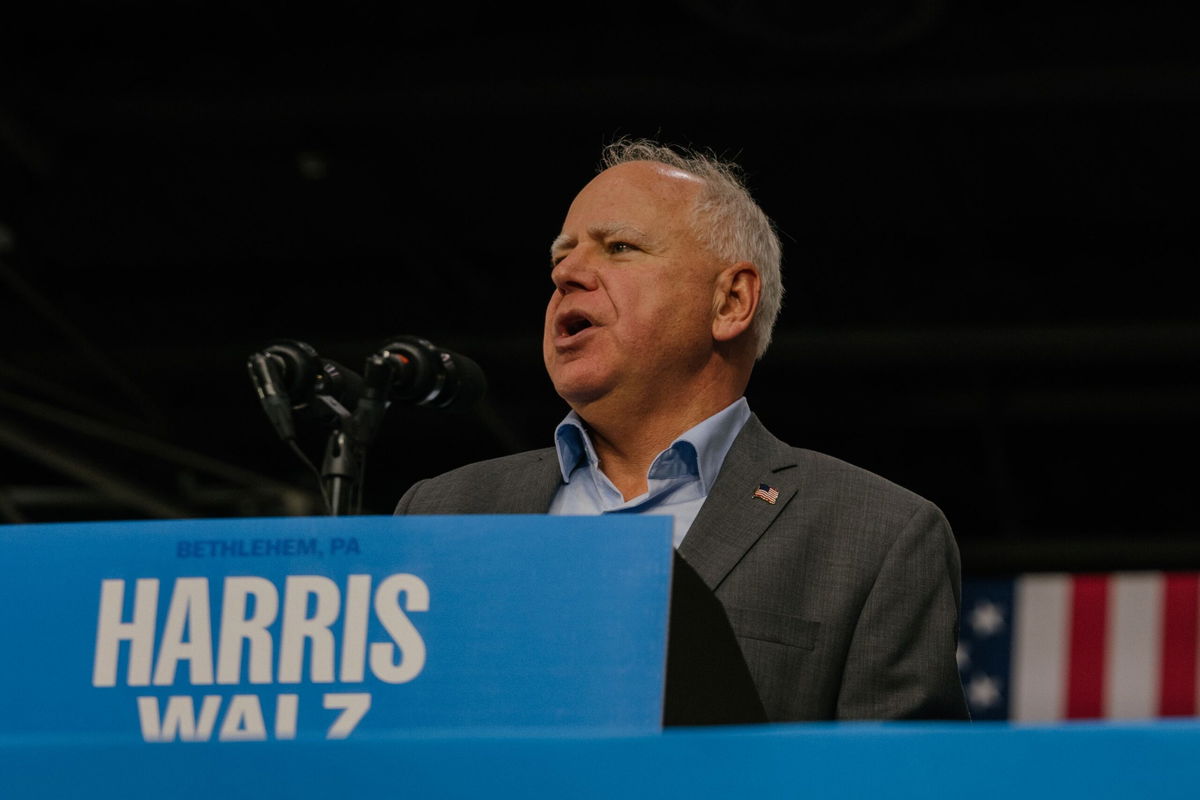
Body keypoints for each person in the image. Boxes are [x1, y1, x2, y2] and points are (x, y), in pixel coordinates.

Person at [395, 138, 969, 722]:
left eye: (619, 247)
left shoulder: (876, 536)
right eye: (560, 258)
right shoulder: (442, 511)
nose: (566, 273)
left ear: (730, 301)